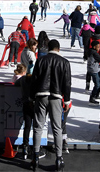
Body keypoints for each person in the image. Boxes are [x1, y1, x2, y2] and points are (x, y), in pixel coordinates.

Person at [30, 39, 72, 172]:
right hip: (56, 97)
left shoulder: (41, 60)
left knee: (38, 126)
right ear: (58, 49)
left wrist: (32, 97)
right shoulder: (64, 62)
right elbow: (67, 83)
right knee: (57, 128)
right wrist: (66, 101)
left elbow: (34, 79)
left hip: (41, 95)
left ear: (48, 48)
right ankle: (59, 158)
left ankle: (35, 156)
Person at [87, 40, 100, 105]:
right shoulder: (94, 53)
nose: (99, 48)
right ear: (94, 47)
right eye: (98, 47)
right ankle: (92, 98)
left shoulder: (90, 51)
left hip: (93, 69)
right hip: (94, 70)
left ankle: (96, 95)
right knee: (97, 84)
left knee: (99, 82)